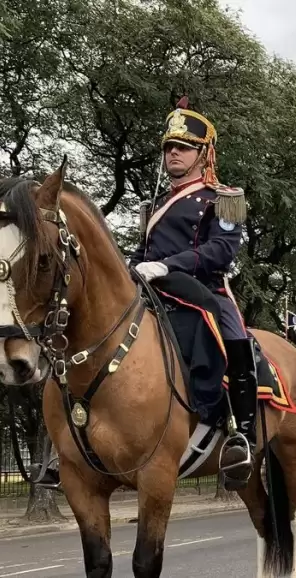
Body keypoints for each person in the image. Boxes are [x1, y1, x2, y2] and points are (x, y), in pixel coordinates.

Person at [30, 97, 253, 489]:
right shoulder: (154, 205)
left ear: (204, 154)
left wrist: (169, 265)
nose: (173, 154)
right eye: (169, 147)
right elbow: (142, 252)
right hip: (148, 286)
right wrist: (130, 267)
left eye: (183, 147)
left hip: (201, 288)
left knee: (231, 337)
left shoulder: (226, 198)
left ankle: (240, 431)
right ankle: (69, 444)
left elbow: (222, 251)